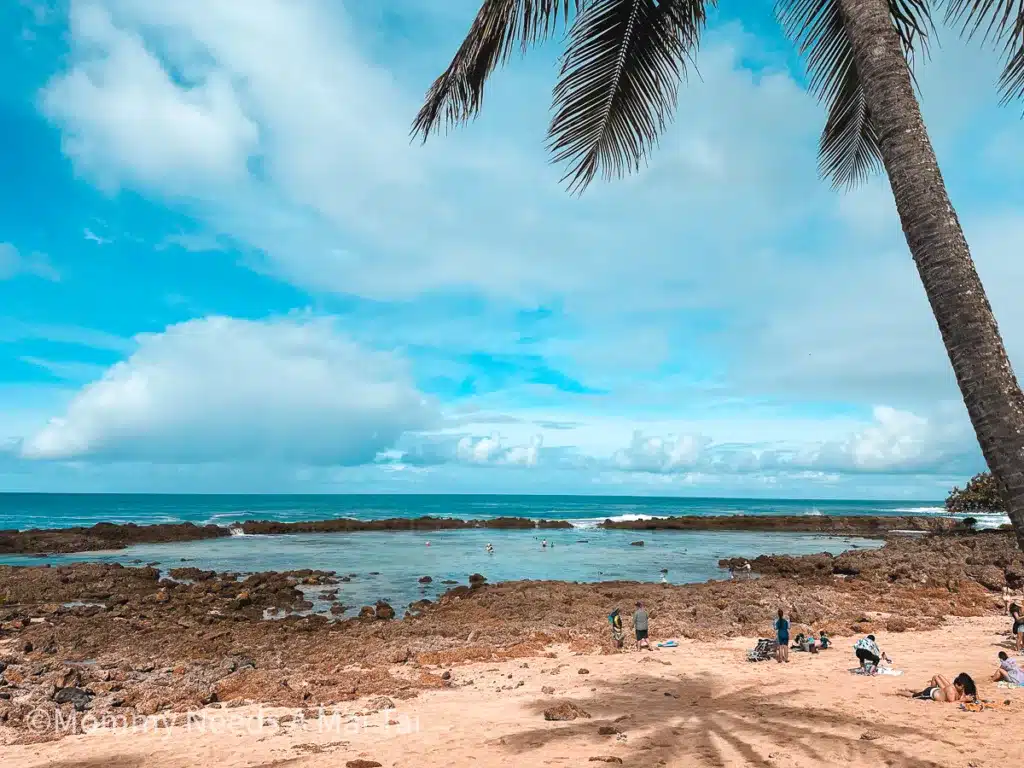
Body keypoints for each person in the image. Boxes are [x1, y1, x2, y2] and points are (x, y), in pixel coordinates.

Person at [908, 673, 977, 703]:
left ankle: (910, 689)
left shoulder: (959, 688)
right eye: (962, 687)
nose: (963, 689)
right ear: (956, 685)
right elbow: (951, 703)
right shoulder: (951, 691)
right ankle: (900, 692)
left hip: (937, 690)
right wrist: (964, 700)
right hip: (930, 693)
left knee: (921, 692)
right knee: (913, 696)